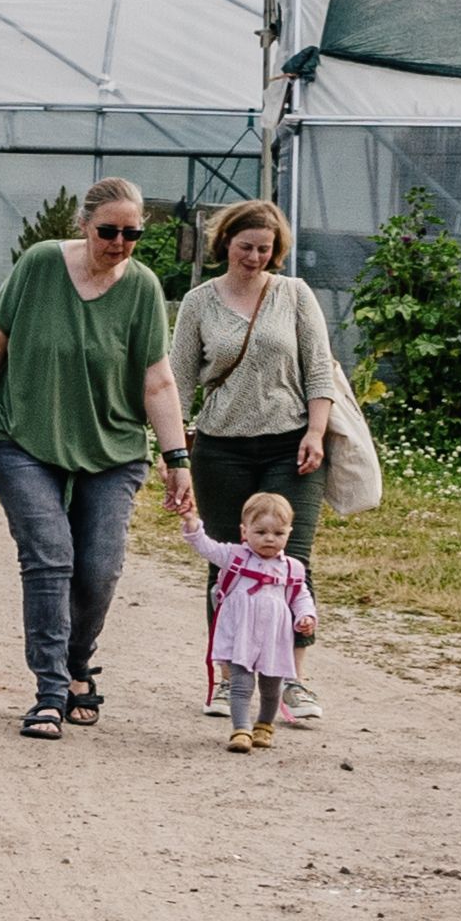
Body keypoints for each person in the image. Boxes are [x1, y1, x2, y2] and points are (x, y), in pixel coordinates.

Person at [0, 176, 170, 736]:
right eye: (108, 231)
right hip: (22, 434)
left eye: (132, 233)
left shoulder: (143, 288)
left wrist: (178, 457)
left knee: (98, 568)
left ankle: (78, 664)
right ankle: (50, 691)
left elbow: (157, 381)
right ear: (83, 225)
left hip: (112, 445)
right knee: (50, 556)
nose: (119, 243)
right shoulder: (41, 264)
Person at [162, 198, 343, 710]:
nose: (256, 258)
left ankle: (292, 679)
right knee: (228, 565)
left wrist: (316, 431)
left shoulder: (295, 295)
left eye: (266, 249)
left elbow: (318, 369)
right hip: (221, 449)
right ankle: (226, 675)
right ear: (225, 245)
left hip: (291, 444)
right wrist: (173, 450)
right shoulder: (199, 302)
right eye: (246, 247)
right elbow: (177, 381)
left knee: (292, 561)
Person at [208, 489, 313, 749]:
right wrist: (191, 525)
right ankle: (241, 730)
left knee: (270, 688)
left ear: (289, 532)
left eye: (278, 533)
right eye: (261, 532)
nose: (270, 539)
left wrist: (305, 615)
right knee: (241, 683)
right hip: (241, 634)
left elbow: (300, 596)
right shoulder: (234, 557)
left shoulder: (292, 568)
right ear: (245, 532)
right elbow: (205, 545)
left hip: (274, 638)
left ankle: (264, 725)